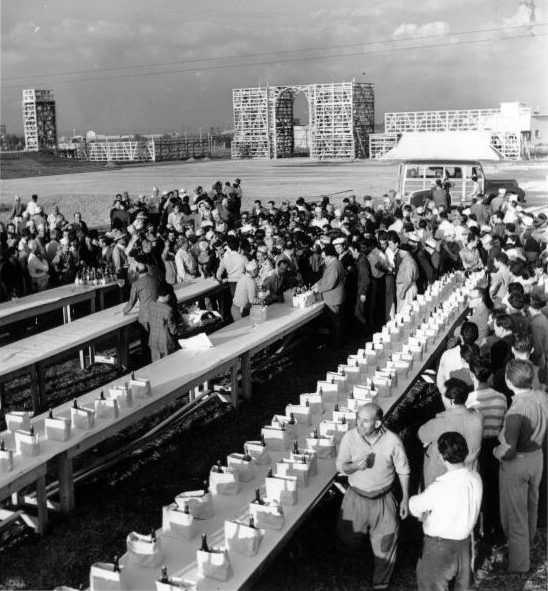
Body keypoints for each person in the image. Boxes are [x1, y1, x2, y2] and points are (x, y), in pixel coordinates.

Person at [337, 403, 410, 591]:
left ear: (377, 423)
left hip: (383, 500)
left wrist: (405, 498)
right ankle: (356, 568)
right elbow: (341, 466)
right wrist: (355, 467)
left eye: (365, 421)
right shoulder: (350, 437)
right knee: (349, 537)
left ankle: (380, 583)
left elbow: (403, 470)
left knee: (386, 543)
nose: (359, 424)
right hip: (356, 498)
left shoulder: (393, 441)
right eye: (358, 419)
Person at [410, 431, 483, 591]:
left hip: (439, 547)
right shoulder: (475, 478)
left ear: (442, 457)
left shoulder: (440, 487)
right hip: (464, 545)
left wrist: (412, 501)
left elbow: (415, 506)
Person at [494, 360, 548, 572]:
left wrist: (496, 451)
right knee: (532, 505)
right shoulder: (542, 397)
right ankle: (529, 543)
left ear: (508, 382)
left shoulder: (515, 411)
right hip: (537, 457)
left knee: (516, 515)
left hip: (518, 463)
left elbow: (509, 451)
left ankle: (519, 564)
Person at [466, 357, 507, 540]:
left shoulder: (470, 400)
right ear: (490, 375)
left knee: (478, 487)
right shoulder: (501, 398)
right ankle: (496, 527)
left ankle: (481, 529)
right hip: (495, 445)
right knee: (494, 486)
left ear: (472, 375)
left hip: (477, 446)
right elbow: (503, 423)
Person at [418, 377, 483, 488]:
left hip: (443, 478)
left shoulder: (440, 423)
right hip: (469, 474)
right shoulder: (478, 417)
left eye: (442, 395)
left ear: (451, 401)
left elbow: (421, 435)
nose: (441, 397)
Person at [122, 263, 159, 360]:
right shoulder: (154, 279)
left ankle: (148, 359)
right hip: (157, 312)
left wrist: (124, 311)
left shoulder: (136, 284)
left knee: (146, 339)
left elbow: (131, 302)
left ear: (137, 272)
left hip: (145, 316)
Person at [312, 244, 346, 347]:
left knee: (335, 322)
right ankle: (337, 342)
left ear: (330, 256)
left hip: (333, 299)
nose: (323, 260)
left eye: (324, 257)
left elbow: (330, 284)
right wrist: (317, 283)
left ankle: (337, 343)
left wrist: (318, 289)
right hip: (334, 297)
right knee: (335, 322)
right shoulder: (334, 264)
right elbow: (325, 278)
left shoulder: (334, 266)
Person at [147, 285, 180, 361]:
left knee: (157, 365)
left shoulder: (151, 305)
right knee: (169, 364)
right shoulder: (168, 310)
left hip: (153, 341)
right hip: (166, 343)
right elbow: (173, 330)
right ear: (168, 296)